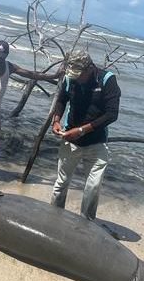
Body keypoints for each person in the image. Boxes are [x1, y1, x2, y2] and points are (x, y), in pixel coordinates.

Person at [0, 40, 61, 180]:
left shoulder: (10, 67)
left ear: (6, 55)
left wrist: (54, 76)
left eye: (1, 56)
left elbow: (31, 74)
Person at [50, 50, 121, 221]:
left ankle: (86, 223)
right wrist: (56, 120)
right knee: (61, 184)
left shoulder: (107, 80)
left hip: (96, 142)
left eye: (78, 75)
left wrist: (82, 130)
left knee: (93, 187)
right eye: (72, 75)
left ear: (89, 68)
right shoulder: (70, 78)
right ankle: (53, 218)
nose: (75, 79)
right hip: (70, 139)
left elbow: (112, 114)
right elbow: (61, 100)